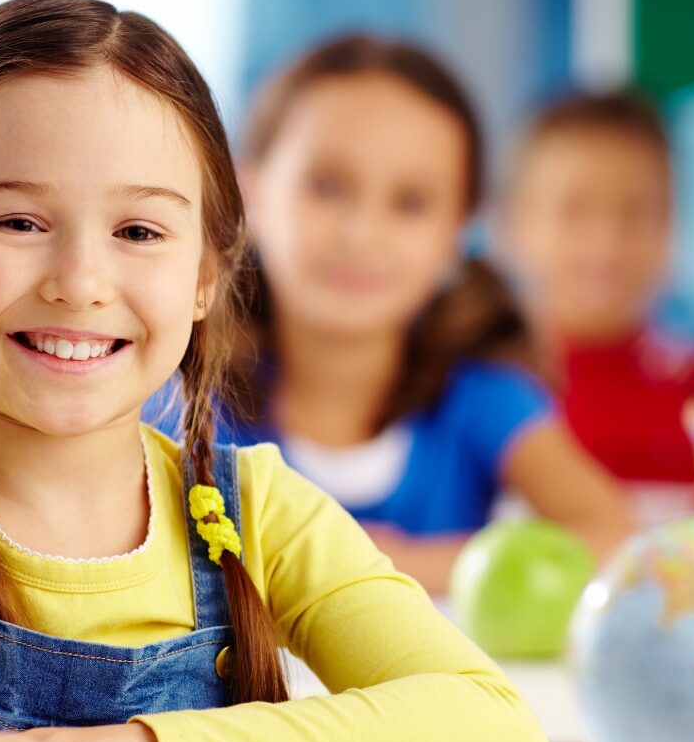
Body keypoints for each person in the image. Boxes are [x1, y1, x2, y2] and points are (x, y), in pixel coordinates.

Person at [0, 0, 548, 742]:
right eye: (18, 220)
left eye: (138, 230)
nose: (80, 280)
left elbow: (492, 724)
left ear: (205, 276)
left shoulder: (259, 512)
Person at [149, 35, 635, 593]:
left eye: (411, 202)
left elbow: (614, 538)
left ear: (458, 232)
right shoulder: (178, 404)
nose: (362, 234)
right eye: (328, 186)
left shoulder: (485, 401)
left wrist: (389, 564)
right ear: (248, 194)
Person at [501, 92, 694, 488]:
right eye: (573, 210)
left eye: (636, 210)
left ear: (671, 224)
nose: (605, 244)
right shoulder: (469, 392)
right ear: (515, 225)